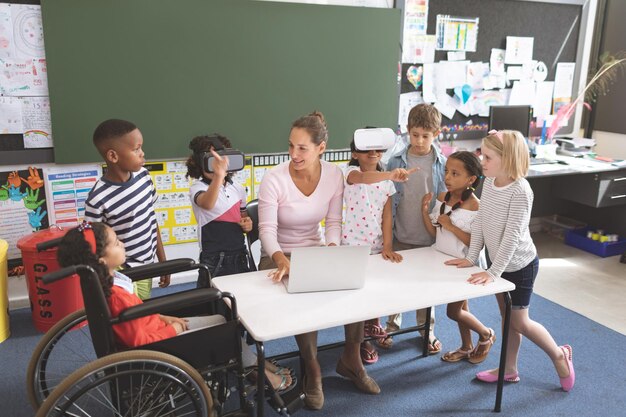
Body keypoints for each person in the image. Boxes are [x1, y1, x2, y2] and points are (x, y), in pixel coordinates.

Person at [56, 221, 295, 393]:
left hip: (157, 329)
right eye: (116, 242)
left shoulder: (109, 282)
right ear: (101, 260)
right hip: (160, 344)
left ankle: (252, 364)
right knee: (225, 327)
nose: (122, 243)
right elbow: (138, 340)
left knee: (220, 320)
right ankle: (259, 371)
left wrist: (163, 316)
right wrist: (174, 330)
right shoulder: (116, 295)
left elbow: (135, 318)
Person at [257, 111, 380, 410]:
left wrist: (333, 250)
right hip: (277, 255)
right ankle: (312, 370)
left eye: (302, 148)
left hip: (316, 249)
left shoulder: (334, 175)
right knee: (304, 291)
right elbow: (267, 232)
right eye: (291, 146)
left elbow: (334, 222)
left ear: (321, 148)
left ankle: (351, 359)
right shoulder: (274, 179)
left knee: (354, 286)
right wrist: (280, 259)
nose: (294, 154)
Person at [445, 130, 574, 391]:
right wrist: (472, 259)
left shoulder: (521, 190)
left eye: (488, 157)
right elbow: (480, 221)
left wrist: (493, 273)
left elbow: (513, 237)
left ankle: (559, 354)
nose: (482, 162)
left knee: (520, 322)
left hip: (521, 266)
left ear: (508, 159)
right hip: (499, 262)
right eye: (482, 154)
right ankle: (510, 369)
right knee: (508, 320)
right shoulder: (491, 182)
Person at [342, 135, 415, 365]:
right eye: (366, 150)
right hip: (352, 247)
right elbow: (364, 178)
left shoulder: (387, 183)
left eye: (377, 150)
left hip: (374, 246)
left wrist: (387, 245)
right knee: (357, 296)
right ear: (355, 153)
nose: (373, 154)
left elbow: (386, 215)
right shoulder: (348, 174)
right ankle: (360, 341)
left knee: (374, 290)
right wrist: (391, 174)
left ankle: (373, 325)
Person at [380, 103, 447, 353]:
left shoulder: (441, 162)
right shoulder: (395, 161)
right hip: (401, 234)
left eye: (425, 136)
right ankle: (391, 326)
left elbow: (444, 200)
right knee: (395, 284)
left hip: (429, 238)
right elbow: (387, 199)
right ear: (407, 131)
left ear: (436, 134)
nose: (419, 141)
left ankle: (426, 331)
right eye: (415, 134)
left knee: (426, 288)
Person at [421, 151, 495, 364]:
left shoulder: (476, 206)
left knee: (454, 312)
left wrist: (451, 226)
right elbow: (435, 232)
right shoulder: (443, 198)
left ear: (471, 179)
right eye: (446, 171)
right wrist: (424, 212)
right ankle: (466, 346)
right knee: (462, 309)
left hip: (463, 267)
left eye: (455, 173)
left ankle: (486, 334)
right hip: (443, 262)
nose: (447, 177)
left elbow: (475, 244)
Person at [84, 119, 167, 300]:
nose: (142, 153)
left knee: (144, 310)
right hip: (120, 271)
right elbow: (94, 246)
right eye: (136, 149)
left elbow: (151, 220)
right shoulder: (98, 199)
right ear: (113, 156)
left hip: (147, 263)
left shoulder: (144, 177)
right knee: (128, 315)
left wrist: (163, 260)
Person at [186, 134, 252, 287]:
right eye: (211, 160)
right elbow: (208, 203)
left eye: (220, 160)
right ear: (200, 163)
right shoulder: (198, 187)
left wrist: (247, 223)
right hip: (214, 259)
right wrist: (218, 176)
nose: (217, 165)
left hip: (239, 254)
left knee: (241, 299)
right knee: (213, 302)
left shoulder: (238, 188)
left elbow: (244, 216)